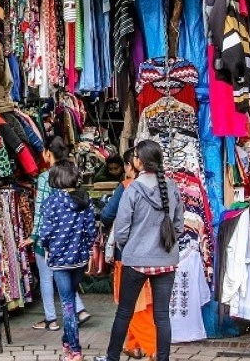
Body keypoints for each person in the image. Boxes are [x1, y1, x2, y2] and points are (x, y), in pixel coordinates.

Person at [95, 140, 184, 361]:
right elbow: (179, 225)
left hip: (135, 260)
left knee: (124, 313)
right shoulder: (171, 186)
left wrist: (130, 249)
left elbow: (122, 230)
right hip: (166, 259)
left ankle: (112, 357)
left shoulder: (132, 188)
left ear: (139, 161)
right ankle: (163, 358)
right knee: (162, 316)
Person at [23, 138, 91, 332]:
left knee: (47, 277)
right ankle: (78, 311)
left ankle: (51, 319)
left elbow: (41, 211)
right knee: (65, 277)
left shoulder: (46, 177)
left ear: (47, 153)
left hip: (51, 238)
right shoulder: (72, 170)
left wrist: (36, 236)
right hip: (72, 238)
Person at [38, 160, 97, 361]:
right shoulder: (84, 200)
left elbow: (44, 233)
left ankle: (75, 350)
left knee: (67, 304)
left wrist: (47, 247)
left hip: (59, 260)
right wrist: (87, 250)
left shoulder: (51, 203)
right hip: (79, 259)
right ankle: (67, 341)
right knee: (70, 299)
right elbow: (91, 230)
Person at [102, 150, 156, 360]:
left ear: (130, 165)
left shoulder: (126, 187)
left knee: (132, 303)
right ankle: (134, 345)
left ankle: (153, 348)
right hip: (154, 252)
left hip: (128, 254)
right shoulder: (161, 185)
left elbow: (107, 214)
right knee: (147, 301)